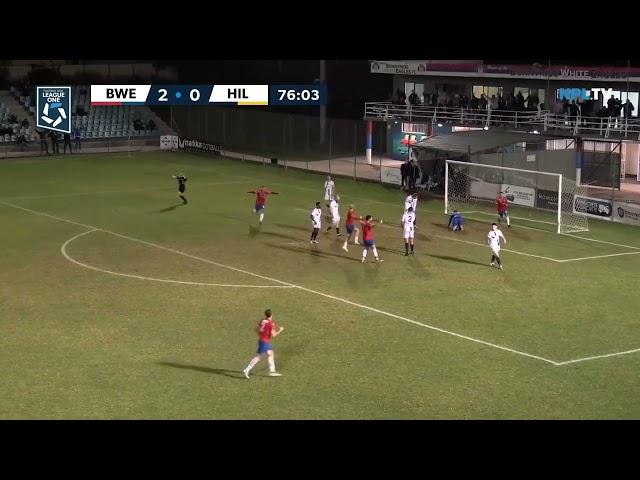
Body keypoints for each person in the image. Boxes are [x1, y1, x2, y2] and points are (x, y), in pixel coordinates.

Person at [242, 309, 284, 378]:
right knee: (259, 356)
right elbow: (273, 335)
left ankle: (272, 371)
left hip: (262, 341)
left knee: (270, 353)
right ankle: (247, 369)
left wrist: (261, 335)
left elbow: (256, 329)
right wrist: (280, 330)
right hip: (265, 342)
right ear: (271, 315)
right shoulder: (271, 323)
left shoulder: (262, 321)